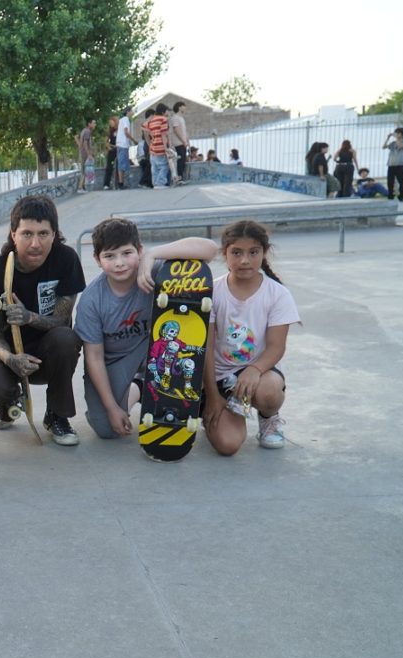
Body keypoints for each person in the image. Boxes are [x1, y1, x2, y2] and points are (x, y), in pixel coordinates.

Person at [74, 219, 218, 439]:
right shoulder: (92, 299)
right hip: (116, 359)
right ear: (97, 259)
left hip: (156, 348)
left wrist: (152, 255)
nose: (120, 263)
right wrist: (112, 408)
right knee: (106, 429)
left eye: (127, 253)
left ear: (139, 250)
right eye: (109, 256)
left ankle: (195, 391)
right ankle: (140, 385)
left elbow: (209, 249)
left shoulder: (155, 269)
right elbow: (93, 357)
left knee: (185, 301)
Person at [0, 194, 85, 446]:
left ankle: (56, 415)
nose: (35, 243)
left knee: (66, 339)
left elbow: (62, 320)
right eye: (27, 234)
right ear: (13, 234)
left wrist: (28, 317)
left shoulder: (66, 259)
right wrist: (11, 359)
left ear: (54, 234)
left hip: (49, 352)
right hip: (10, 351)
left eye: (43, 234)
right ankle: (8, 402)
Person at [202, 220, 300, 456]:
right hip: (220, 377)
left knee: (270, 392)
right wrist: (213, 397)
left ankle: (268, 418)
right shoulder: (212, 291)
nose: (244, 260)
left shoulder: (277, 294)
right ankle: (222, 410)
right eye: (236, 252)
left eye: (253, 252)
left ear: (264, 253)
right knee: (228, 445)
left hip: (259, 374)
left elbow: (276, 348)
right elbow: (206, 347)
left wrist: (254, 369)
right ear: (224, 254)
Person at [142, 103, 171, 188]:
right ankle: (160, 183)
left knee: (154, 167)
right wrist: (166, 148)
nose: (167, 112)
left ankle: (155, 184)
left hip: (153, 148)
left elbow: (145, 132)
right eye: (166, 110)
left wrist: (149, 144)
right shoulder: (163, 119)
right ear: (163, 111)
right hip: (161, 147)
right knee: (164, 166)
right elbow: (163, 134)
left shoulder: (151, 120)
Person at [383, 127, 403, 202]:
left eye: (398, 133)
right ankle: (390, 195)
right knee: (390, 181)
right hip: (391, 164)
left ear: (402, 134)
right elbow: (384, 147)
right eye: (396, 133)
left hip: (400, 164)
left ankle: (402, 195)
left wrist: (397, 138)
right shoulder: (393, 143)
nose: (397, 134)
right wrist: (388, 138)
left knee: (401, 181)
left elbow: (400, 146)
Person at [169, 101, 190, 183]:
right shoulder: (175, 118)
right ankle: (179, 179)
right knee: (180, 162)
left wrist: (187, 141)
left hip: (183, 143)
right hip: (178, 144)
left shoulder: (181, 118)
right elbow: (176, 130)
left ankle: (181, 178)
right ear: (179, 107)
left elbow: (184, 131)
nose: (185, 108)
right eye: (183, 106)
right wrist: (184, 141)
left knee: (183, 161)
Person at [116, 106, 135, 190]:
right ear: (128, 111)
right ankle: (121, 183)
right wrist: (133, 140)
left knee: (122, 164)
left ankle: (121, 182)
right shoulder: (126, 119)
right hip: (123, 144)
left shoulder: (121, 120)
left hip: (120, 144)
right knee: (122, 165)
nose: (133, 112)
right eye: (132, 111)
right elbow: (126, 132)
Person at [78, 118, 97, 192]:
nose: (95, 124)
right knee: (84, 171)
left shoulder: (83, 130)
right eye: (94, 123)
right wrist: (89, 154)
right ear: (89, 124)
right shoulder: (87, 131)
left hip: (83, 153)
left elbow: (80, 143)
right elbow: (85, 143)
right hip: (85, 154)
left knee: (84, 170)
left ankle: (82, 187)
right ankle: (80, 188)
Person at [137, 110, 154, 188]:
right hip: (148, 145)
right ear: (151, 115)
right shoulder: (147, 123)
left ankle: (148, 182)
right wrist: (151, 146)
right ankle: (143, 181)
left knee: (150, 164)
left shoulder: (146, 123)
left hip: (147, 145)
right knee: (150, 164)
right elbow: (147, 137)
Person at [102, 116, 118, 190]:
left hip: (119, 150)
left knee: (119, 167)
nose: (110, 123)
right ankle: (106, 184)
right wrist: (110, 147)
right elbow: (106, 142)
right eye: (109, 122)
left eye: (111, 122)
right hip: (112, 150)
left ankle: (118, 183)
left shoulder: (120, 129)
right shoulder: (109, 131)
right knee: (109, 167)